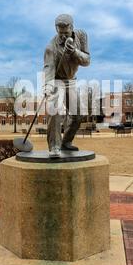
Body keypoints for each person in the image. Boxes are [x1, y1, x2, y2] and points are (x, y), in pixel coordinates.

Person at [43, 14, 90, 158]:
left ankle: (66, 142)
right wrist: (48, 86)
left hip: (71, 81)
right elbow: (48, 68)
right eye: (60, 33)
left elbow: (87, 61)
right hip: (56, 81)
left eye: (66, 33)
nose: (63, 36)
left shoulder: (81, 36)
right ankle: (54, 147)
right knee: (54, 112)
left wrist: (75, 52)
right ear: (56, 30)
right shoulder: (51, 47)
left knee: (78, 115)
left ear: (72, 27)